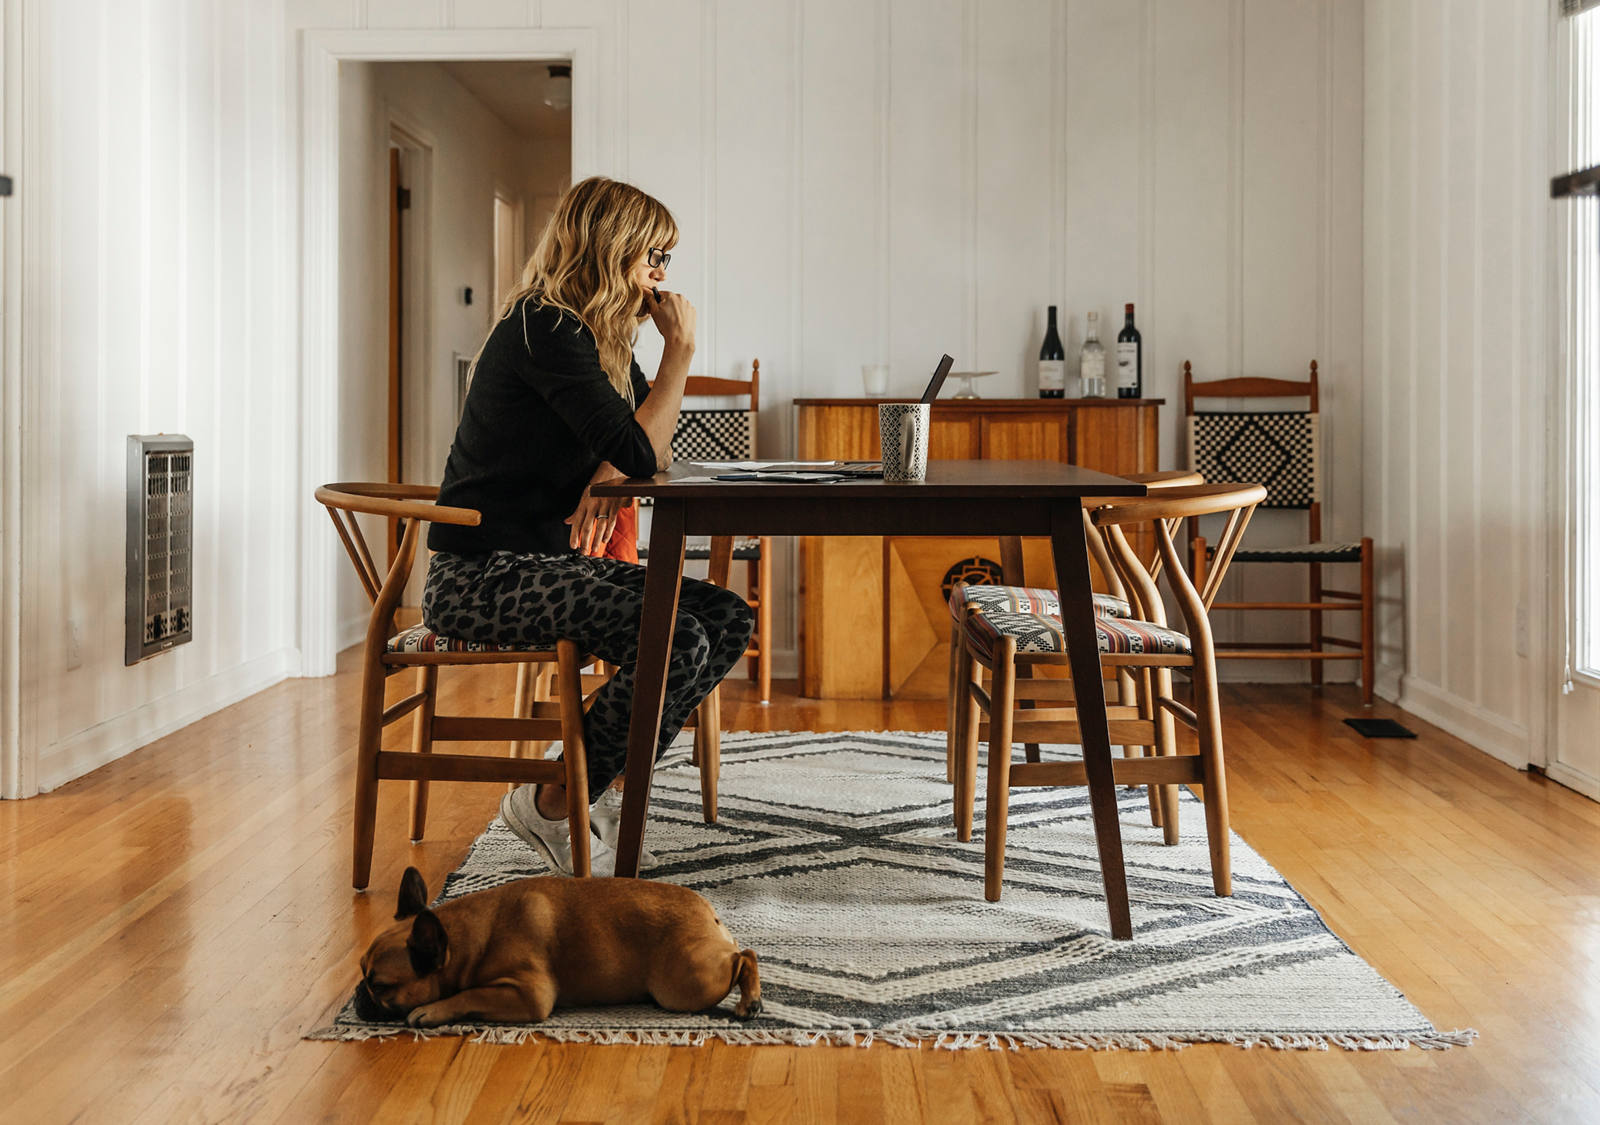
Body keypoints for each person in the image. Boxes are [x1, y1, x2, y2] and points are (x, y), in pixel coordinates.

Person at [422, 177, 753, 876]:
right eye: (651, 258)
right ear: (612, 250)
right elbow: (641, 450)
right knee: (677, 628)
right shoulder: (546, 327)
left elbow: (645, 453)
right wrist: (681, 356)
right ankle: (554, 801)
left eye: (666, 260)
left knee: (725, 616)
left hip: (544, 565)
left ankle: (581, 785)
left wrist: (610, 468)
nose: (661, 276)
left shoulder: (594, 338)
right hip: (483, 576)